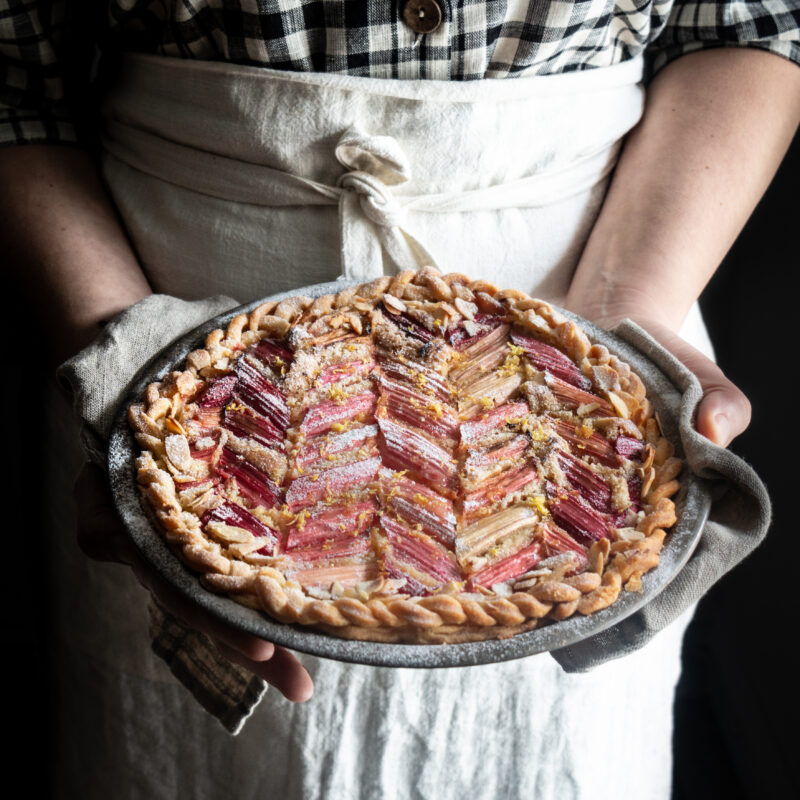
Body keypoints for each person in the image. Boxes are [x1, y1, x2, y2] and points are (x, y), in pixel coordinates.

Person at [2, 2, 798, 798]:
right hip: (148, 319)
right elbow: (14, 76)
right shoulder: (148, 379)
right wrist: (123, 364)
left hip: (586, 342)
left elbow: (747, 26)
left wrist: (634, 311)